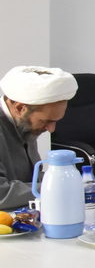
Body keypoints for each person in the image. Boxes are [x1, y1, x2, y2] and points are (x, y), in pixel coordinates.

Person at [0, 66, 77, 211]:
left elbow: (31, 178)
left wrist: (68, 179)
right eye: (46, 121)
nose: (51, 129)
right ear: (20, 108)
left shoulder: (23, 123)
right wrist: (57, 187)